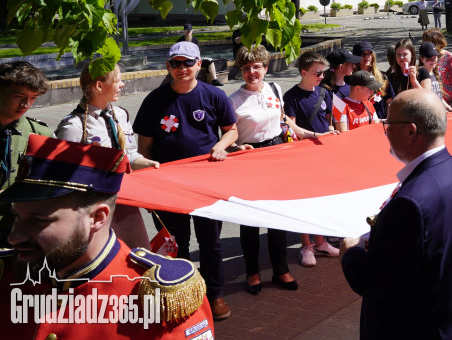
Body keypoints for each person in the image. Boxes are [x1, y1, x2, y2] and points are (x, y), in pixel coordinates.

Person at [0, 135, 214, 339]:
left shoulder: (160, 299)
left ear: (97, 218)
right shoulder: (11, 273)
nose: (14, 237)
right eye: (17, 217)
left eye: (39, 220)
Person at [339, 89, 452, 340]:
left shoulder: (411, 203)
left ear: (411, 131)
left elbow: (375, 281)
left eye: (389, 125)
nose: (386, 132)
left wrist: (351, 252)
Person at [134, 42, 237, 321]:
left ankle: (215, 294)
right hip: (168, 187)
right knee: (176, 245)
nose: (182, 69)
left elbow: (232, 131)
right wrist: (147, 188)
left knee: (211, 243)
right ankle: (181, 294)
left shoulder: (214, 95)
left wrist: (222, 145)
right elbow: (144, 149)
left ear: (199, 64)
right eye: (176, 64)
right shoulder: (155, 101)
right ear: (168, 66)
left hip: (206, 184)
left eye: (188, 63)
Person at [228, 45, 313, 295]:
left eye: (257, 67)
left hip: (276, 153)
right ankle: (252, 272)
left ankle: (281, 269)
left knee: (278, 215)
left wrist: (312, 134)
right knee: (250, 219)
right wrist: (235, 146)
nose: (252, 72)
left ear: (265, 68)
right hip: (249, 157)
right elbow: (225, 133)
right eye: (246, 68)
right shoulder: (232, 100)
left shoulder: (275, 88)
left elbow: (285, 120)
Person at [54, 61, 158, 249]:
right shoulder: (74, 126)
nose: (122, 84)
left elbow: (129, 156)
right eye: (118, 80)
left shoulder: (121, 115)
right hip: (91, 211)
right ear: (99, 86)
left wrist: (148, 163)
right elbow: (63, 174)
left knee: (137, 255)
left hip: (125, 205)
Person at [282, 51, 341, 267]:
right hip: (303, 155)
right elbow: (293, 128)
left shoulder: (325, 94)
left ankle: (320, 241)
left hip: (324, 153)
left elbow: (329, 121)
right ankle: (306, 245)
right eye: (317, 72)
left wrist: (332, 132)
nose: (321, 76)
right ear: (303, 72)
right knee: (305, 201)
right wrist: (318, 135)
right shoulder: (291, 97)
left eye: (324, 72)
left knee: (323, 199)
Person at [0, 62, 52, 243]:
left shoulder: (39, 134)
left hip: (20, 232)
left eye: (33, 98)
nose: (26, 104)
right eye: (19, 96)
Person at [418, 41, 452, 113]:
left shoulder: (434, 72)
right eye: (429, 58)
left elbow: (438, 97)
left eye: (434, 57)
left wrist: (448, 107)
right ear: (421, 58)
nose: (432, 61)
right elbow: (426, 98)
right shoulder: (421, 73)